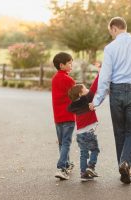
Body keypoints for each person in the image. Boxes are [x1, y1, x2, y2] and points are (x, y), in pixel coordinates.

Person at [89, 17, 131, 184]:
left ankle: (123, 165)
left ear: (114, 28)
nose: (111, 35)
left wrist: (97, 100)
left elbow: (105, 76)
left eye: (110, 32)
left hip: (116, 91)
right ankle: (126, 163)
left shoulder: (110, 48)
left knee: (120, 131)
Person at [68, 72, 100, 182]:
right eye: (85, 89)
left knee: (83, 153)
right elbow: (94, 87)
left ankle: (83, 173)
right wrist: (99, 74)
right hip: (89, 133)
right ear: (81, 94)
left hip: (80, 134)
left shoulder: (75, 106)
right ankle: (90, 167)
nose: (87, 90)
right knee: (95, 150)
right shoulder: (87, 99)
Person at [52, 52, 76, 180]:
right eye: (69, 63)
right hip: (69, 116)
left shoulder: (54, 79)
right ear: (62, 65)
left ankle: (67, 164)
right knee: (66, 142)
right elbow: (76, 97)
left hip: (58, 117)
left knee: (62, 143)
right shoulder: (69, 80)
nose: (71, 65)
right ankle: (61, 168)